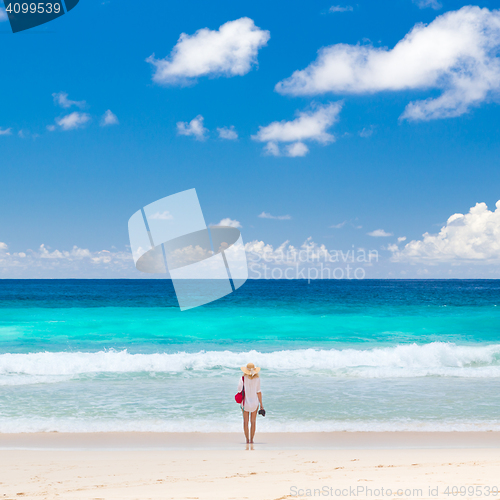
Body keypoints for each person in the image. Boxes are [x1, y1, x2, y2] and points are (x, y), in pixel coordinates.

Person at [237, 362, 264, 444]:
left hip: (245, 403)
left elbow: (239, 390)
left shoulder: (242, 378)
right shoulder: (257, 379)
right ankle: (252, 440)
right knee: (253, 422)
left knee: (245, 422)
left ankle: (247, 440)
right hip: (255, 403)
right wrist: (261, 406)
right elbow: (258, 392)